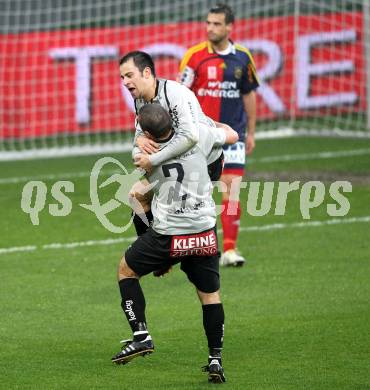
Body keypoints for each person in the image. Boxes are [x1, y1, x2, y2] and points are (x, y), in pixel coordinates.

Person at [111, 104, 238, 383]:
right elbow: (232, 135)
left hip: (169, 236)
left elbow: (138, 193)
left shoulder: (144, 153)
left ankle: (141, 334)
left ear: (146, 134)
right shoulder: (199, 135)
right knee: (209, 295)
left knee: (126, 270)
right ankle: (215, 358)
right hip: (204, 232)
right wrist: (208, 124)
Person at [178, 4, 259, 266]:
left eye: (215, 24)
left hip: (232, 135)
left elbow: (248, 95)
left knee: (231, 192)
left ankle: (230, 250)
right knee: (194, 194)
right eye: (208, 23)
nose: (209, 28)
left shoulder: (243, 58)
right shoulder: (194, 56)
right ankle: (188, 246)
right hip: (200, 137)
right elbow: (180, 95)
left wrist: (252, 133)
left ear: (229, 27)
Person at [119, 50, 227, 237]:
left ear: (146, 73)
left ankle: (201, 250)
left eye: (129, 75)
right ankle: (154, 254)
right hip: (178, 162)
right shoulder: (140, 101)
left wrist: (154, 160)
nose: (125, 82)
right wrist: (138, 143)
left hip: (206, 162)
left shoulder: (176, 94)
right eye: (122, 77)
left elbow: (191, 137)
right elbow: (138, 139)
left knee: (188, 214)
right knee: (137, 196)